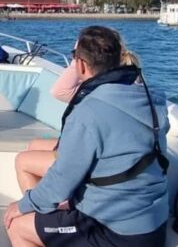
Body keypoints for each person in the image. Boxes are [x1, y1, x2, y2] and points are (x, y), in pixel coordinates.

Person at [5, 26, 169, 247]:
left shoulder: (88, 110)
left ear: (80, 64)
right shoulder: (151, 98)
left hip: (112, 231)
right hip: (154, 226)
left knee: (18, 226)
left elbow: (61, 181)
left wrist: (24, 205)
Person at [15, 39, 142, 193]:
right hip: (109, 152)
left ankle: (38, 210)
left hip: (101, 159)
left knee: (22, 160)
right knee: (34, 145)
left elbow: (59, 92)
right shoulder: (133, 88)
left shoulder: (97, 94)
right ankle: (51, 203)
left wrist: (79, 59)